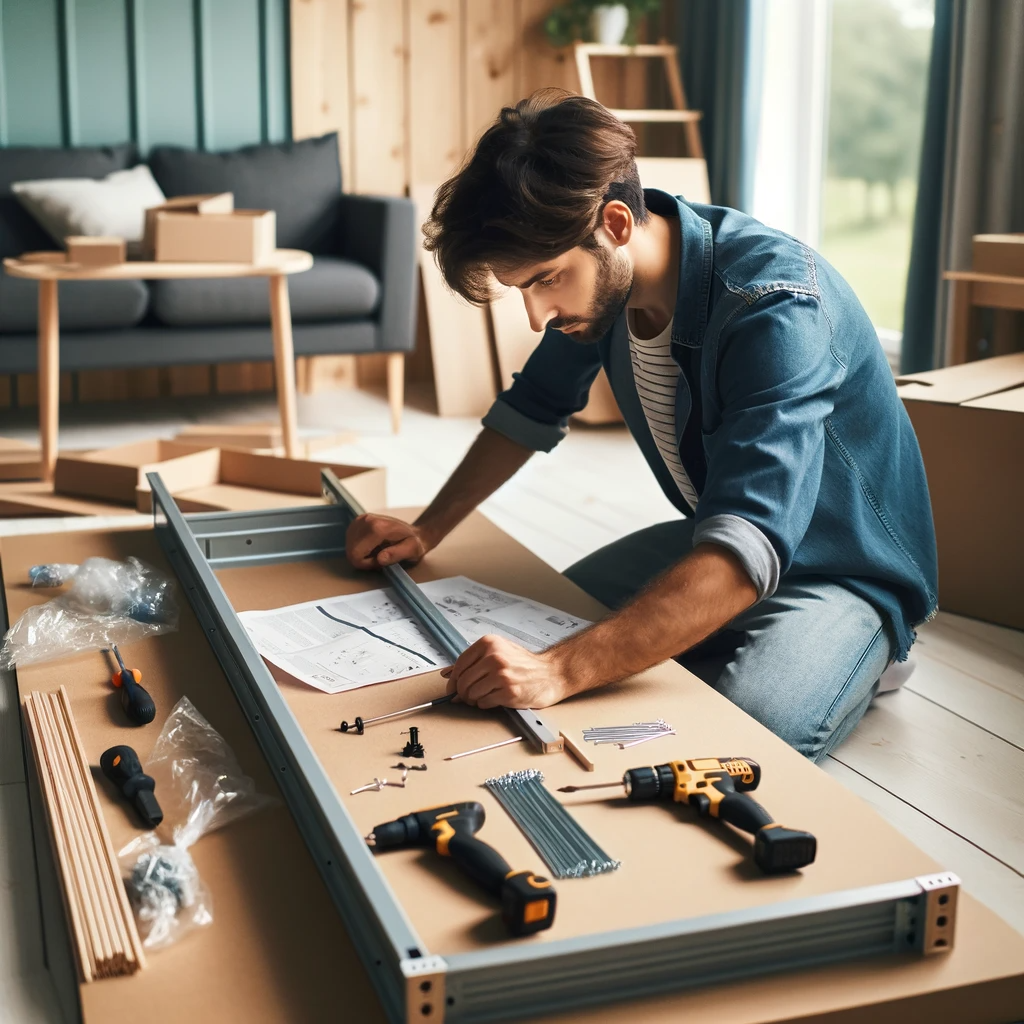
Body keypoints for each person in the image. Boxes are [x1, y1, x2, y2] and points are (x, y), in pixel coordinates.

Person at [345, 92, 938, 763]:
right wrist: (429, 526)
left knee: (751, 729)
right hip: (713, 533)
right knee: (543, 618)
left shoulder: (775, 308)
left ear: (617, 223)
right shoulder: (599, 289)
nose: (537, 317)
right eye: (521, 291)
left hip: (839, 565)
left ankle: (869, 651)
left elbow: (750, 545)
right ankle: (709, 628)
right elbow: (531, 409)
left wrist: (562, 672)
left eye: (545, 281)